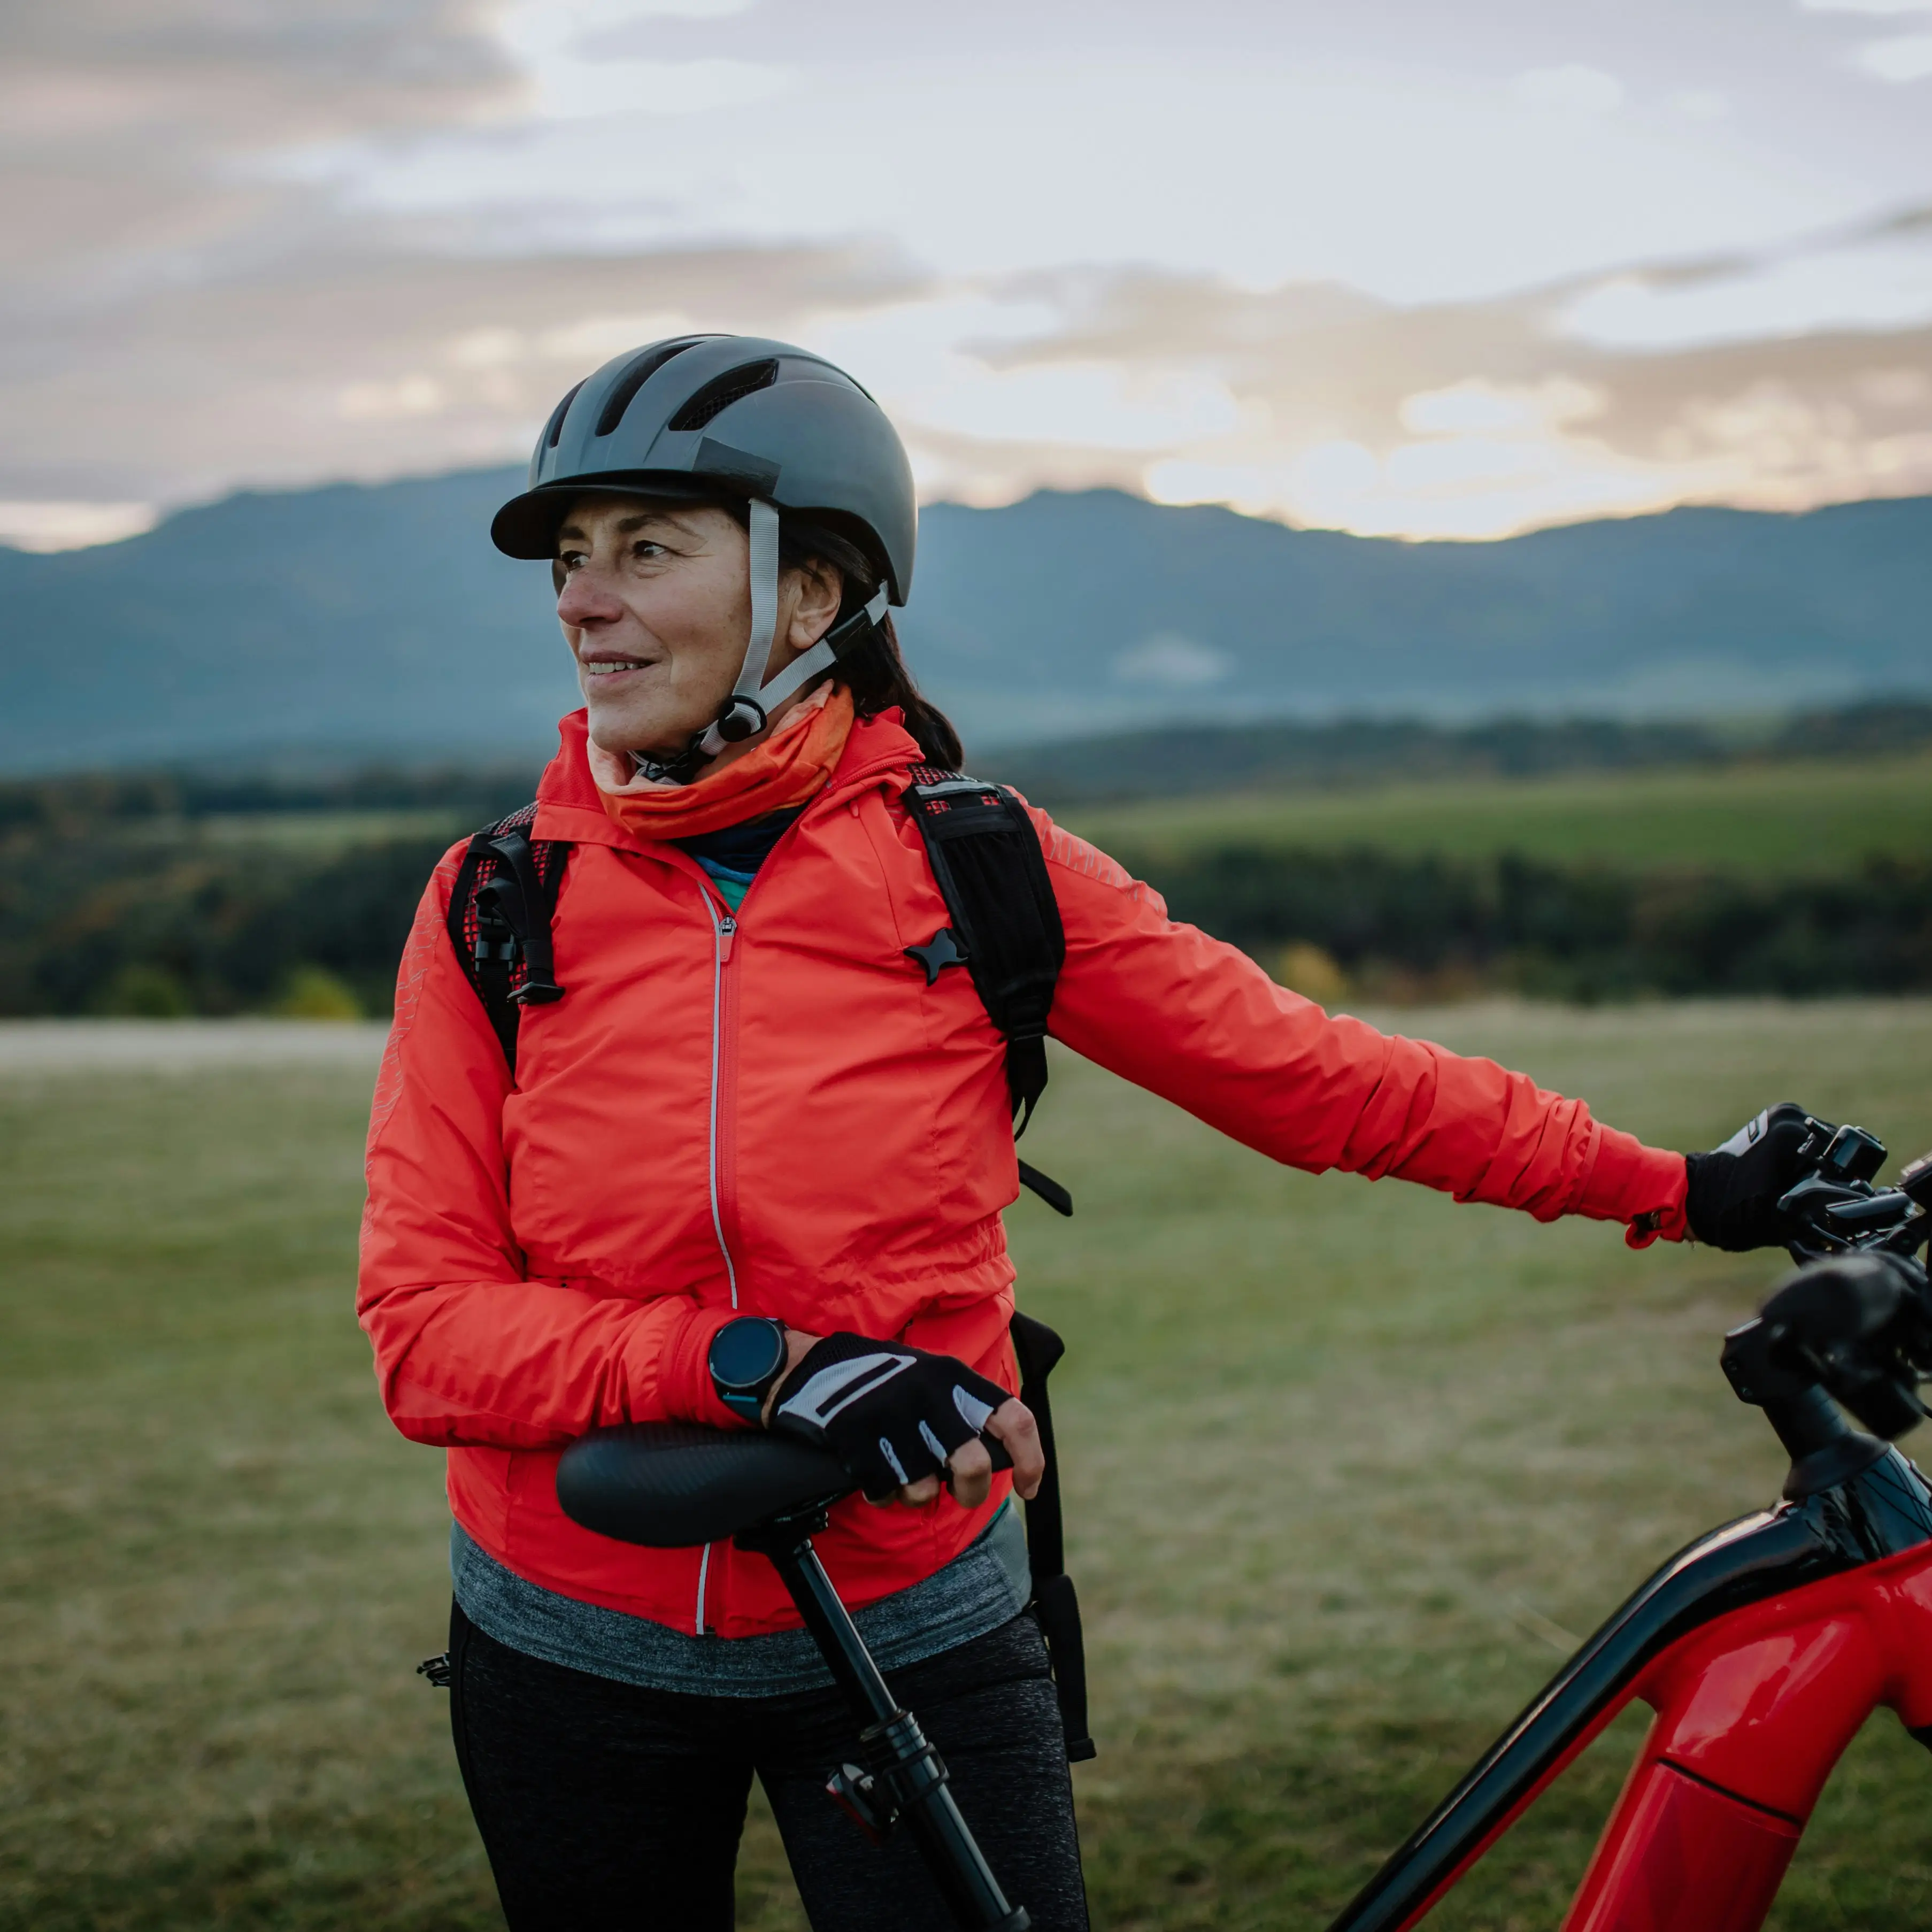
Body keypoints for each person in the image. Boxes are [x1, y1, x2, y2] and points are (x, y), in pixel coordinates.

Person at [357, 335, 1826, 1932]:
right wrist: (754, 1364)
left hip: (912, 1617)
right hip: (573, 1651)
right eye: (570, 559)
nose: (581, 601)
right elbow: (425, 1334)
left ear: (808, 593)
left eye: (647, 547)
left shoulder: (978, 867)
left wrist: (1679, 1187)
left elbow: (1325, 1082)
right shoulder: (496, 901)